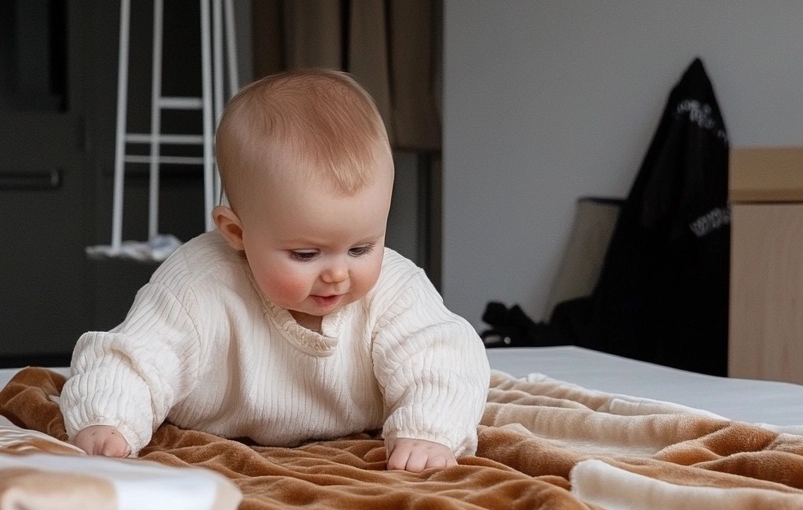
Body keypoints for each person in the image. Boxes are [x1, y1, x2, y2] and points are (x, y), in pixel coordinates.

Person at [63, 69, 490, 471]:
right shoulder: (198, 284)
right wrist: (108, 420)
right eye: (306, 254)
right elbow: (135, 357)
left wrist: (429, 431)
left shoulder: (395, 289)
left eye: (362, 247)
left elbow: (444, 360)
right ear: (236, 232)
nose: (338, 274)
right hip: (216, 438)